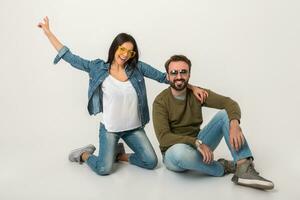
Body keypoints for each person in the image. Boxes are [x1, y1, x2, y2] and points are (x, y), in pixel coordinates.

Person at [37, 17, 208, 175]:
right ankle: (83, 154)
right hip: (110, 129)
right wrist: (49, 33)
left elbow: (165, 77)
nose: (125, 54)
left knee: (151, 162)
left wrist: (192, 87)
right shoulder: (98, 68)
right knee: (104, 169)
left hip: (133, 128)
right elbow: (71, 58)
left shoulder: (137, 68)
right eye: (122, 49)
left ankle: (119, 155)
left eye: (130, 52)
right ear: (115, 48)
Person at [152, 55, 274, 190]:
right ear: (168, 76)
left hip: (199, 144)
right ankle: (222, 167)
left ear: (189, 74)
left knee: (225, 115)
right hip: (174, 153)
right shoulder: (160, 102)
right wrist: (196, 143)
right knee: (180, 152)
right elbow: (164, 138)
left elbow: (229, 103)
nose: (179, 76)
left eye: (183, 72)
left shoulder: (198, 94)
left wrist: (234, 124)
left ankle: (243, 167)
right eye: (174, 73)